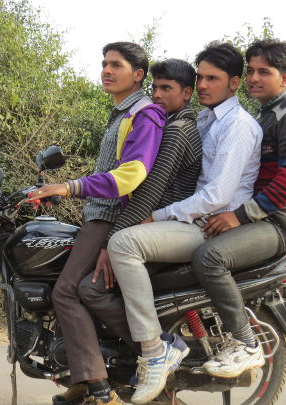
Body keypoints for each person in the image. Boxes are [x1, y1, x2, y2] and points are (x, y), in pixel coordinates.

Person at [106, 42, 262, 405]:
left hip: (207, 225)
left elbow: (216, 196)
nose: (204, 84)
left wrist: (156, 214)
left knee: (123, 244)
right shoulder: (207, 119)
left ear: (234, 84)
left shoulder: (236, 126)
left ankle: (153, 348)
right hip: (196, 219)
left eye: (213, 79)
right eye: (201, 76)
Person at [27, 42, 166, 405]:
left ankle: (102, 395)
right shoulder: (122, 113)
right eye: (104, 63)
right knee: (71, 288)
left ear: (138, 74)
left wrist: (72, 187)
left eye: (116, 65)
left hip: (109, 219)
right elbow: (108, 172)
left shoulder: (146, 114)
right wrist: (58, 192)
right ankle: (82, 375)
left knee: (66, 293)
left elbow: (132, 174)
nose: (106, 70)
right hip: (97, 214)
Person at [195, 38, 286, 378]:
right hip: (263, 217)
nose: (254, 78)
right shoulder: (265, 116)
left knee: (211, 257)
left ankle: (246, 343)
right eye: (250, 71)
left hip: (282, 222)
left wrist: (237, 216)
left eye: (264, 72)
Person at [75, 58, 203, 355]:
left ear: (186, 93)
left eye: (166, 88)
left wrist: (109, 240)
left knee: (90, 289)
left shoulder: (177, 131)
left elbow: (148, 194)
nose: (157, 95)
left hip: (166, 227)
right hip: (157, 224)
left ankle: (153, 350)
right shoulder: (172, 124)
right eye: (155, 87)